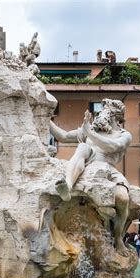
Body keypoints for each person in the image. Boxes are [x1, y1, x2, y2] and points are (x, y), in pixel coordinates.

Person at [49, 99, 132, 252]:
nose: (100, 114)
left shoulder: (123, 134)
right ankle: (67, 185)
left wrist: (90, 133)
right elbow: (63, 136)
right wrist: (46, 119)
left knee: (123, 198)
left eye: (106, 112)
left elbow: (114, 146)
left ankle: (118, 236)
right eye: (101, 112)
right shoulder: (90, 130)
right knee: (83, 147)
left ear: (116, 117)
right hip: (87, 166)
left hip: (109, 169)